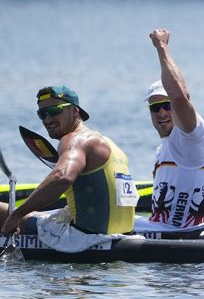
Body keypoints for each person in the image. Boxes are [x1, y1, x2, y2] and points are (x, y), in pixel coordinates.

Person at [1, 86, 136, 236]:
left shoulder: (74, 139)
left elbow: (62, 177)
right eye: (42, 114)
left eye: (54, 111)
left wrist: (17, 215)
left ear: (75, 111)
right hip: (125, 235)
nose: (48, 119)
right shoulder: (111, 145)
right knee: (38, 215)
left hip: (84, 238)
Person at [146, 29, 204, 231]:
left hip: (184, 239)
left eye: (166, 106)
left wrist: (162, 46)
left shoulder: (192, 137)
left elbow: (179, 96)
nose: (161, 113)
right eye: (155, 107)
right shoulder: (163, 148)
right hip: (163, 239)